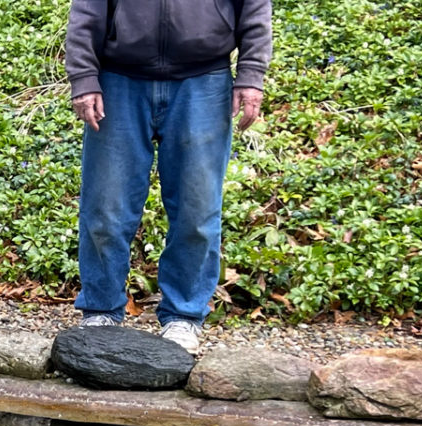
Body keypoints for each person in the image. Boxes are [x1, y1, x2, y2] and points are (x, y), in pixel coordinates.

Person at [65, 0, 272, 353]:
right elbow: (86, 9)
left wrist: (251, 74)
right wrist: (84, 77)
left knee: (198, 209)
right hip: (119, 79)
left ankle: (184, 315)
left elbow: (254, 7)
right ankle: (100, 311)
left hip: (204, 80)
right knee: (105, 207)